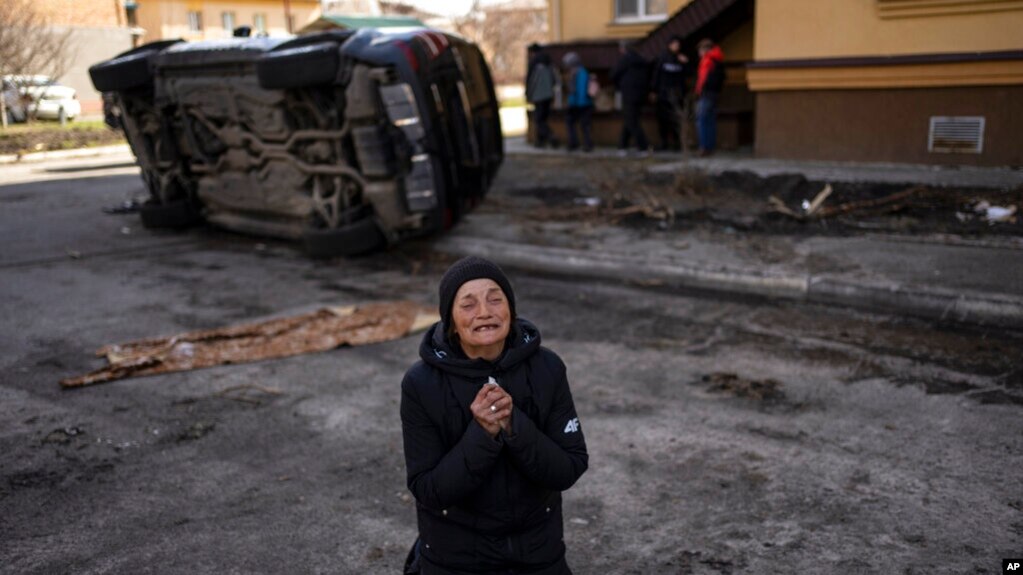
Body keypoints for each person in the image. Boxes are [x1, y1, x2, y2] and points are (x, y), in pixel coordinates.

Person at [401, 256, 589, 575]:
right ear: (451, 322)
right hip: (456, 554)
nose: (485, 313)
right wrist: (482, 434)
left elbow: (569, 467)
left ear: (511, 311)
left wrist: (514, 426)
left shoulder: (547, 368)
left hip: (536, 549)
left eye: (495, 299)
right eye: (468, 305)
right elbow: (429, 490)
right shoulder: (421, 384)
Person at [611, 41, 651, 156]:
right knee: (630, 119)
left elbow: (613, 74)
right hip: (641, 94)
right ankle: (622, 146)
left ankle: (643, 147)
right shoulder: (642, 60)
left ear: (623, 49)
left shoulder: (625, 60)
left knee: (631, 121)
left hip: (629, 94)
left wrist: (619, 85)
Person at [651, 35, 690, 152]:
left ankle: (677, 143)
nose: (676, 47)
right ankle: (664, 142)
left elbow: (687, 74)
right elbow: (656, 75)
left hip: (677, 95)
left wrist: (686, 63)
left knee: (676, 120)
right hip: (663, 95)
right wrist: (653, 90)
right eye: (674, 44)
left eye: (678, 45)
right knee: (663, 120)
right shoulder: (662, 58)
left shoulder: (681, 59)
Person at [694, 38, 725, 157]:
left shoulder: (707, 60)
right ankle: (710, 147)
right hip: (714, 94)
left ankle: (704, 147)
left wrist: (699, 91)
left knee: (701, 121)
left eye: (700, 50)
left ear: (705, 50)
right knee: (710, 121)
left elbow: (703, 79)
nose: (699, 53)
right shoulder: (718, 59)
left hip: (706, 94)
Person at [526, 44, 559, 149]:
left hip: (538, 96)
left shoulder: (533, 63)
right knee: (543, 118)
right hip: (548, 95)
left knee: (539, 120)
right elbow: (555, 80)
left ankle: (551, 136)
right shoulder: (549, 63)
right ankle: (540, 141)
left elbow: (530, 81)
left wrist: (528, 94)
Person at [561, 52, 594, 152]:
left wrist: (576, 101)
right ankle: (574, 142)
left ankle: (586, 144)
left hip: (582, 104)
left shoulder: (581, 73)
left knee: (584, 125)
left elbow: (580, 90)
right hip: (576, 103)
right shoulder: (575, 73)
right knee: (573, 123)